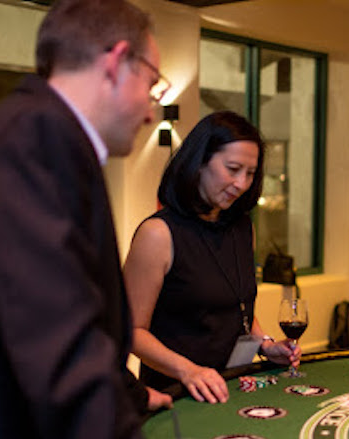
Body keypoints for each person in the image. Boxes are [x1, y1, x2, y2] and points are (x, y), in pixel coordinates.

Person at [0, 1, 201, 439]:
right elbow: (64, 360)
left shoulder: (20, 130)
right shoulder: (38, 144)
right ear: (115, 61)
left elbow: (40, 313)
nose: (151, 110)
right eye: (152, 82)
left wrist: (129, 392)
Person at [123, 111, 301, 404]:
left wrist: (266, 345)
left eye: (251, 173)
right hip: (179, 393)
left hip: (232, 385)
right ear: (200, 163)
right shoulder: (158, 234)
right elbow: (131, 331)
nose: (242, 184)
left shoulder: (243, 228)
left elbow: (236, 307)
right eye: (233, 169)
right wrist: (190, 371)